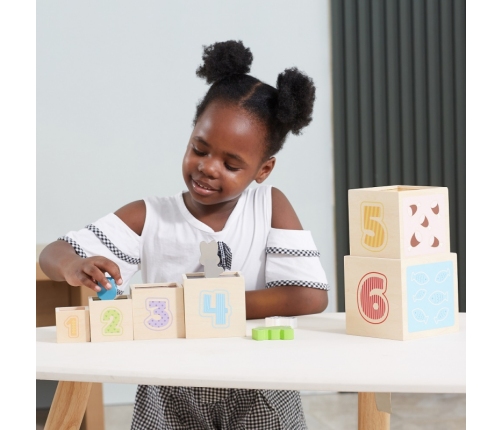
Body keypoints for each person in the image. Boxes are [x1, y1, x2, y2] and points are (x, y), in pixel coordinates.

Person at [39, 40, 330, 430]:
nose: (208, 168)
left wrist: (203, 307)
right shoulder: (150, 216)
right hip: (169, 385)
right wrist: (75, 265)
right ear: (191, 134)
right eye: (200, 148)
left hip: (258, 380)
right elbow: (52, 254)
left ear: (263, 170)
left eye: (231, 164)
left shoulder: (269, 207)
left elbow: (309, 295)